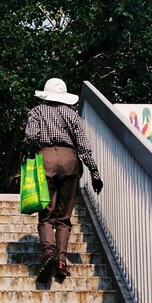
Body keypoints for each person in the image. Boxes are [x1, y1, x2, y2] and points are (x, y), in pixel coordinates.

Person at [25, 78, 103, 283]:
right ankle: (61, 260)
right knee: (64, 215)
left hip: (46, 159)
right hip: (70, 161)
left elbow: (31, 137)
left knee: (46, 212)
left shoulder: (37, 112)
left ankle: (48, 253)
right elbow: (83, 145)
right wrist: (94, 171)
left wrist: (34, 154)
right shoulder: (72, 115)